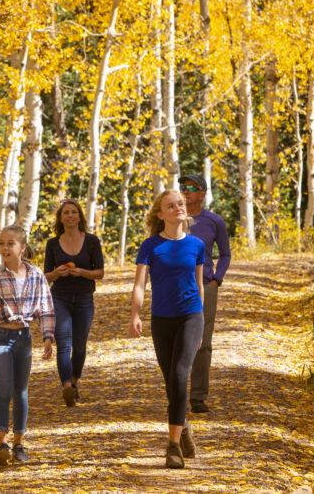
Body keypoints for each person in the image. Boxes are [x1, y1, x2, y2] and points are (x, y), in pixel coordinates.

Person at [0, 225, 55, 465]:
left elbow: (46, 308)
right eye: (2, 243)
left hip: (24, 337)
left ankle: (18, 443)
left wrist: (48, 337)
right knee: (4, 387)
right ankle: (2, 443)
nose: (5, 248)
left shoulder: (36, 275)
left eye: (10, 244)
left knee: (21, 390)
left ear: (22, 247)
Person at [130, 189, 205, 469]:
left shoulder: (197, 245)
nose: (178, 208)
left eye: (181, 204)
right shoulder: (150, 246)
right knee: (170, 382)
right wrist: (135, 314)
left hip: (191, 316)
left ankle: (172, 446)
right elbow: (140, 284)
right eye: (171, 206)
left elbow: (199, 286)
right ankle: (183, 427)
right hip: (161, 319)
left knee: (179, 374)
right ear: (160, 214)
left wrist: (202, 327)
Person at [43, 200, 105, 406]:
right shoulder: (52, 244)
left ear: (79, 217)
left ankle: (75, 382)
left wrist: (82, 272)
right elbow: (46, 277)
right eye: (66, 213)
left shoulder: (92, 241)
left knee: (79, 347)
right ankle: (67, 387)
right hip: (59, 297)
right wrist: (56, 273)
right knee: (63, 344)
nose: (70, 216)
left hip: (84, 299)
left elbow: (100, 273)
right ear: (61, 218)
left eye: (74, 212)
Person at [179, 172, 231, 414]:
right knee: (175, 340)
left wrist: (216, 280)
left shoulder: (214, 221)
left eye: (191, 187)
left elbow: (225, 253)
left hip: (206, 288)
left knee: (202, 341)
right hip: (175, 286)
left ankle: (198, 397)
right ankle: (176, 394)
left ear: (202, 194)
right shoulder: (172, 218)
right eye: (182, 186)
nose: (185, 190)